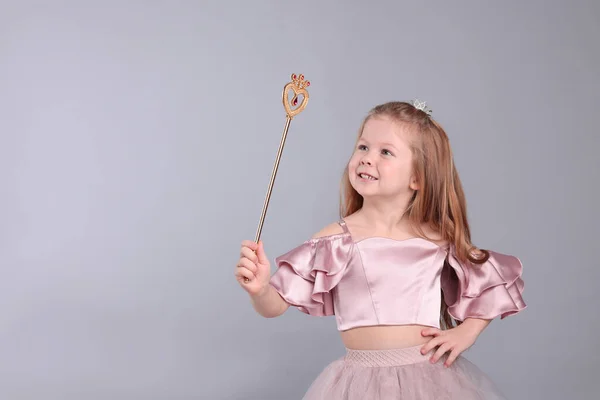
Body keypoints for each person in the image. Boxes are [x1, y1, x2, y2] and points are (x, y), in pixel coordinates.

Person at [235, 100, 526, 399]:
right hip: (359, 384)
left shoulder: (437, 240)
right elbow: (276, 305)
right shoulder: (334, 241)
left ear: (418, 177)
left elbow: (492, 284)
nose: (366, 158)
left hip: (430, 381)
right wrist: (260, 291)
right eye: (363, 147)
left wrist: (467, 332)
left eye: (385, 152)